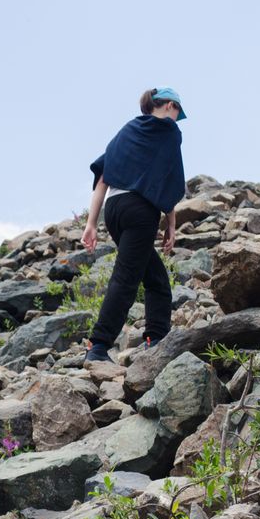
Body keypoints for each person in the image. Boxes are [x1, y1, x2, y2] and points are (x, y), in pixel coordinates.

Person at [81, 88, 187, 362]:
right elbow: (167, 178)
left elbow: (103, 178)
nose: (177, 119)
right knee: (126, 278)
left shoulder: (127, 132)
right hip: (140, 211)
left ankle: (156, 338)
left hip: (113, 210)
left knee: (156, 279)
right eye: (177, 113)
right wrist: (171, 224)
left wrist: (91, 223)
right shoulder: (168, 131)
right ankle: (98, 345)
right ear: (170, 105)